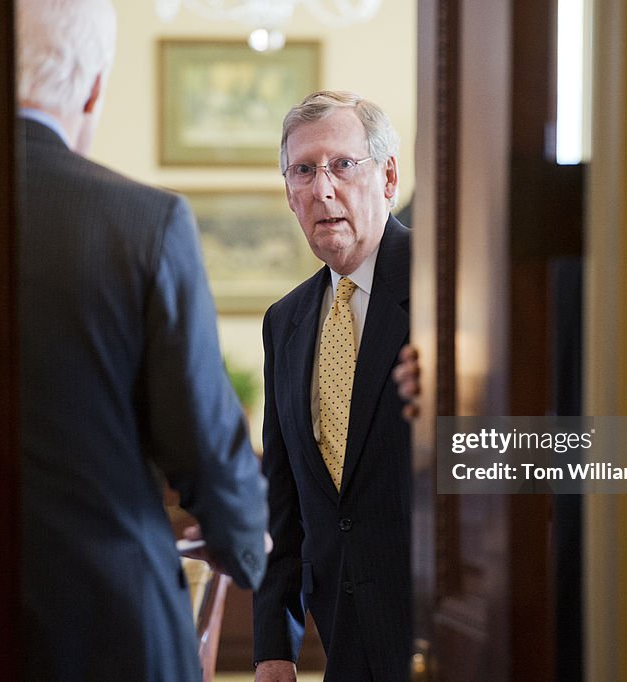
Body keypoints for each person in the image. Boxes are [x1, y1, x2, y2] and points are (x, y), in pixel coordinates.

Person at [16, 0, 268, 678]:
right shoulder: (144, 222)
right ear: (94, 87)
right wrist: (246, 543)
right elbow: (204, 439)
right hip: (109, 625)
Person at [253, 91, 411, 682]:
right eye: (303, 170)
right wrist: (273, 644)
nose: (322, 189)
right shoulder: (285, 321)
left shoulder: (450, 288)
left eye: (343, 165)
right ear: (289, 194)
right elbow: (283, 498)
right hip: (344, 636)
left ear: (388, 176)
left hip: (445, 631)